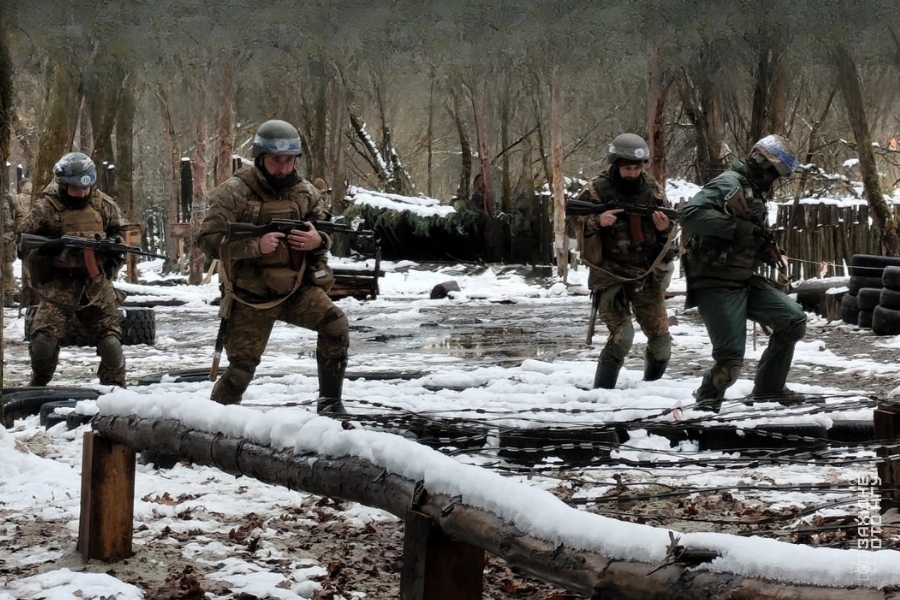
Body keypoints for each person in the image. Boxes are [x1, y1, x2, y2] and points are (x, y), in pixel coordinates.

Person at [198, 119, 350, 415]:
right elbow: (208, 240)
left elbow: (326, 231)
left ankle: (330, 404)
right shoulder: (234, 192)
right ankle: (211, 425)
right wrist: (256, 245)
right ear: (261, 158)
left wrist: (317, 241)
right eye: (276, 160)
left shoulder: (306, 193)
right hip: (250, 296)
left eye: (289, 160)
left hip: (296, 289)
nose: (283, 168)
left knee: (336, 325)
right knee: (241, 370)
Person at [679, 134, 806, 412]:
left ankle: (769, 389)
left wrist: (764, 249)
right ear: (761, 162)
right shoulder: (729, 183)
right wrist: (734, 228)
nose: (775, 179)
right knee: (730, 364)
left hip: (742, 278)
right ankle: (705, 407)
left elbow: (746, 232)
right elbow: (689, 215)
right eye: (774, 172)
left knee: (793, 320)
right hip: (715, 283)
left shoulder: (753, 189)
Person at [568, 133, 676, 389]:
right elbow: (571, 225)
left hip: (646, 273)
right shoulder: (595, 189)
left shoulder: (652, 188)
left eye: (638, 167)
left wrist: (663, 228)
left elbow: (669, 229)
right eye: (628, 167)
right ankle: (602, 396)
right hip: (610, 274)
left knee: (661, 344)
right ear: (615, 164)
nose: (633, 172)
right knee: (623, 336)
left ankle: (650, 392)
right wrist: (597, 221)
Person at [16, 153, 127, 386]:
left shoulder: (104, 205)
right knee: (43, 344)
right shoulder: (46, 208)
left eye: (85, 189)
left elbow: (122, 233)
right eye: (75, 189)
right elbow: (22, 240)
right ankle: (39, 383)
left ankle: (115, 389)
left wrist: (114, 247)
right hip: (59, 284)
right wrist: (51, 247)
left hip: (95, 283)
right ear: (63, 185)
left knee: (111, 344)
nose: (81, 194)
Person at [2, 181, 29, 307]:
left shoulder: (8, 196)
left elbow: (19, 215)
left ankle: (8, 297)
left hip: (7, 239)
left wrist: (18, 229)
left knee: (8, 269)